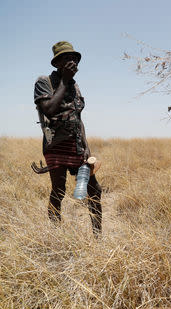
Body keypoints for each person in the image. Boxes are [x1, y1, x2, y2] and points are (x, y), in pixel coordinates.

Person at [33, 41, 102, 235]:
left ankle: (98, 237)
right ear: (56, 63)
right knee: (59, 190)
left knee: (94, 190)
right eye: (66, 58)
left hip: (77, 145)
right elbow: (49, 109)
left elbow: (79, 118)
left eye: (74, 58)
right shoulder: (44, 82)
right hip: (55, 144)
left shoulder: (75, 86)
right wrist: (64, 80)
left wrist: (86, 145)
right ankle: (57, 234)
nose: (72, 61)